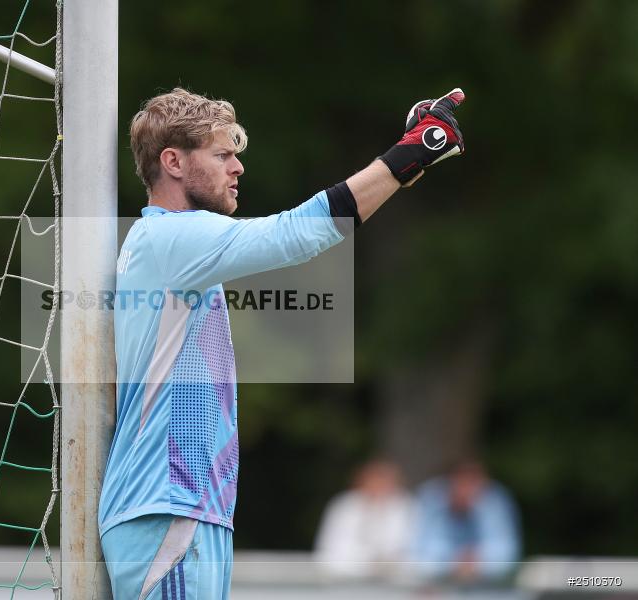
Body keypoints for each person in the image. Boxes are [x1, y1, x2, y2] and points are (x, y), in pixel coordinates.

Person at [98, 87, 467, 599]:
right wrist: (407, 156)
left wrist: (403, 168)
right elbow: (295, 234)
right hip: (167, 506)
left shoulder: (172, 245)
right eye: (222, 155)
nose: (238, 167)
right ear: (173, 163)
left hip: (182, 507)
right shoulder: (171, 238)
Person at [411, 460, 521, 583]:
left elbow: (507, 555)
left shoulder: (496, 501)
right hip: (437, 583)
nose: (466, 490)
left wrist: (478, 563)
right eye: (461, 484)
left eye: (472, 484)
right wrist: (453, 563)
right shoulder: (430, 499)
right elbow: (417, 554)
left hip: (486, 584)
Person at [314, 459, 414, 581]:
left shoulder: (404, 506)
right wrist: (368, 561)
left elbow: (402, 546)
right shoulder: (345, 505)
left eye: (385, 482)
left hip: (391, 580)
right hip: (344, 576)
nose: (379, 487)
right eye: (375, 481)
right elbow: (332, 549)